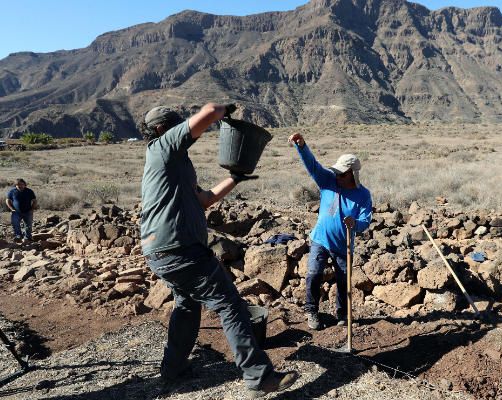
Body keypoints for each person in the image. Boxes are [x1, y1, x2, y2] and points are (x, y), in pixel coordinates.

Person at [139, 103, 297, 397]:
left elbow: (204, 200)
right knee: (230, 305)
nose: (182, 129)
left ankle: (173, 369)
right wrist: (225, 110)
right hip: (180, 249)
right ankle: (259, 377)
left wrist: (235, 178)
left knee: (186, 306)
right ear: (161, 129)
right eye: (176, 125)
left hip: (160, 252)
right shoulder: (163, 147)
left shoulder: (174, 165)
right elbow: (210, 112)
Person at [288, 133, 372, 330]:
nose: (338, 177)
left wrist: (355, 224)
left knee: (343, 281)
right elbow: (313, 166)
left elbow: (366, 220)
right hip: (320, 239)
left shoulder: (363, 194)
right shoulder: (328, 181)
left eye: (342, 174)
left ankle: (342, 314)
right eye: (337, 173)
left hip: (344, 245)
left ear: (353, 173)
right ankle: (311, 312)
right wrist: (302, 146)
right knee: (314, 274)